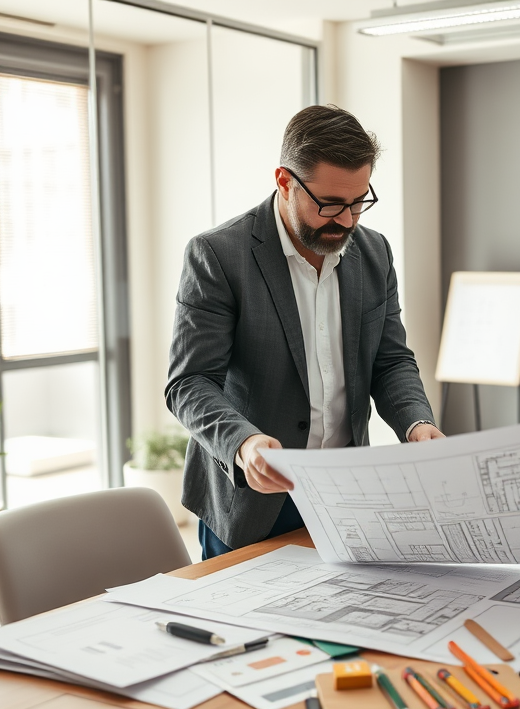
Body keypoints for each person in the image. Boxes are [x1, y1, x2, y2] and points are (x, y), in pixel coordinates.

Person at [166, 105, 443, 560]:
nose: (348, 221)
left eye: (358, 202)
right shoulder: (217, 255)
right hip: (251, 495)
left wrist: (417, 423)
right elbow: (189, 382)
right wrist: (244, 442)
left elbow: (390, 360)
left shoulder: (374, 252)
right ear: (284, 181)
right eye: (330, 204)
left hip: (346, 494)